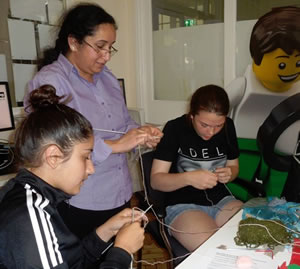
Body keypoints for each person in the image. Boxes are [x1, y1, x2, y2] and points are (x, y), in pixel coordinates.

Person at [24, 3, 163, 239]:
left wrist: (140, 133)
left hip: (118, 191)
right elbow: (57, 145)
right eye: (99, 47)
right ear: (74, 42)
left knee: (117, 258)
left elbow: (121, 124)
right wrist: (118, 145)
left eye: (111, 48)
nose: (106, 56)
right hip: (79, 199)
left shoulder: (107, 78)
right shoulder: (51, 81)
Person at [0, 85, 145, 269]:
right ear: (53, 157)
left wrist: (104, 231)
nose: (91, 169)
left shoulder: (35, 195)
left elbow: (70, 261)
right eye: (85, 157)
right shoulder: (28, 216)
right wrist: (122, 251)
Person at [150, 85, 243, 252]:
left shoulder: (229, 126)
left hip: (222, 200)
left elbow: (234, 167)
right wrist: (188, 177)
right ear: (191, 115)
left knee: (252, 234)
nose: (211, 132)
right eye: (204, 125)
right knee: (216, 251)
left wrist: (229, 174)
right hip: (183, 205)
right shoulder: (175, 129)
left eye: (218, 125)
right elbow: (156, 180)